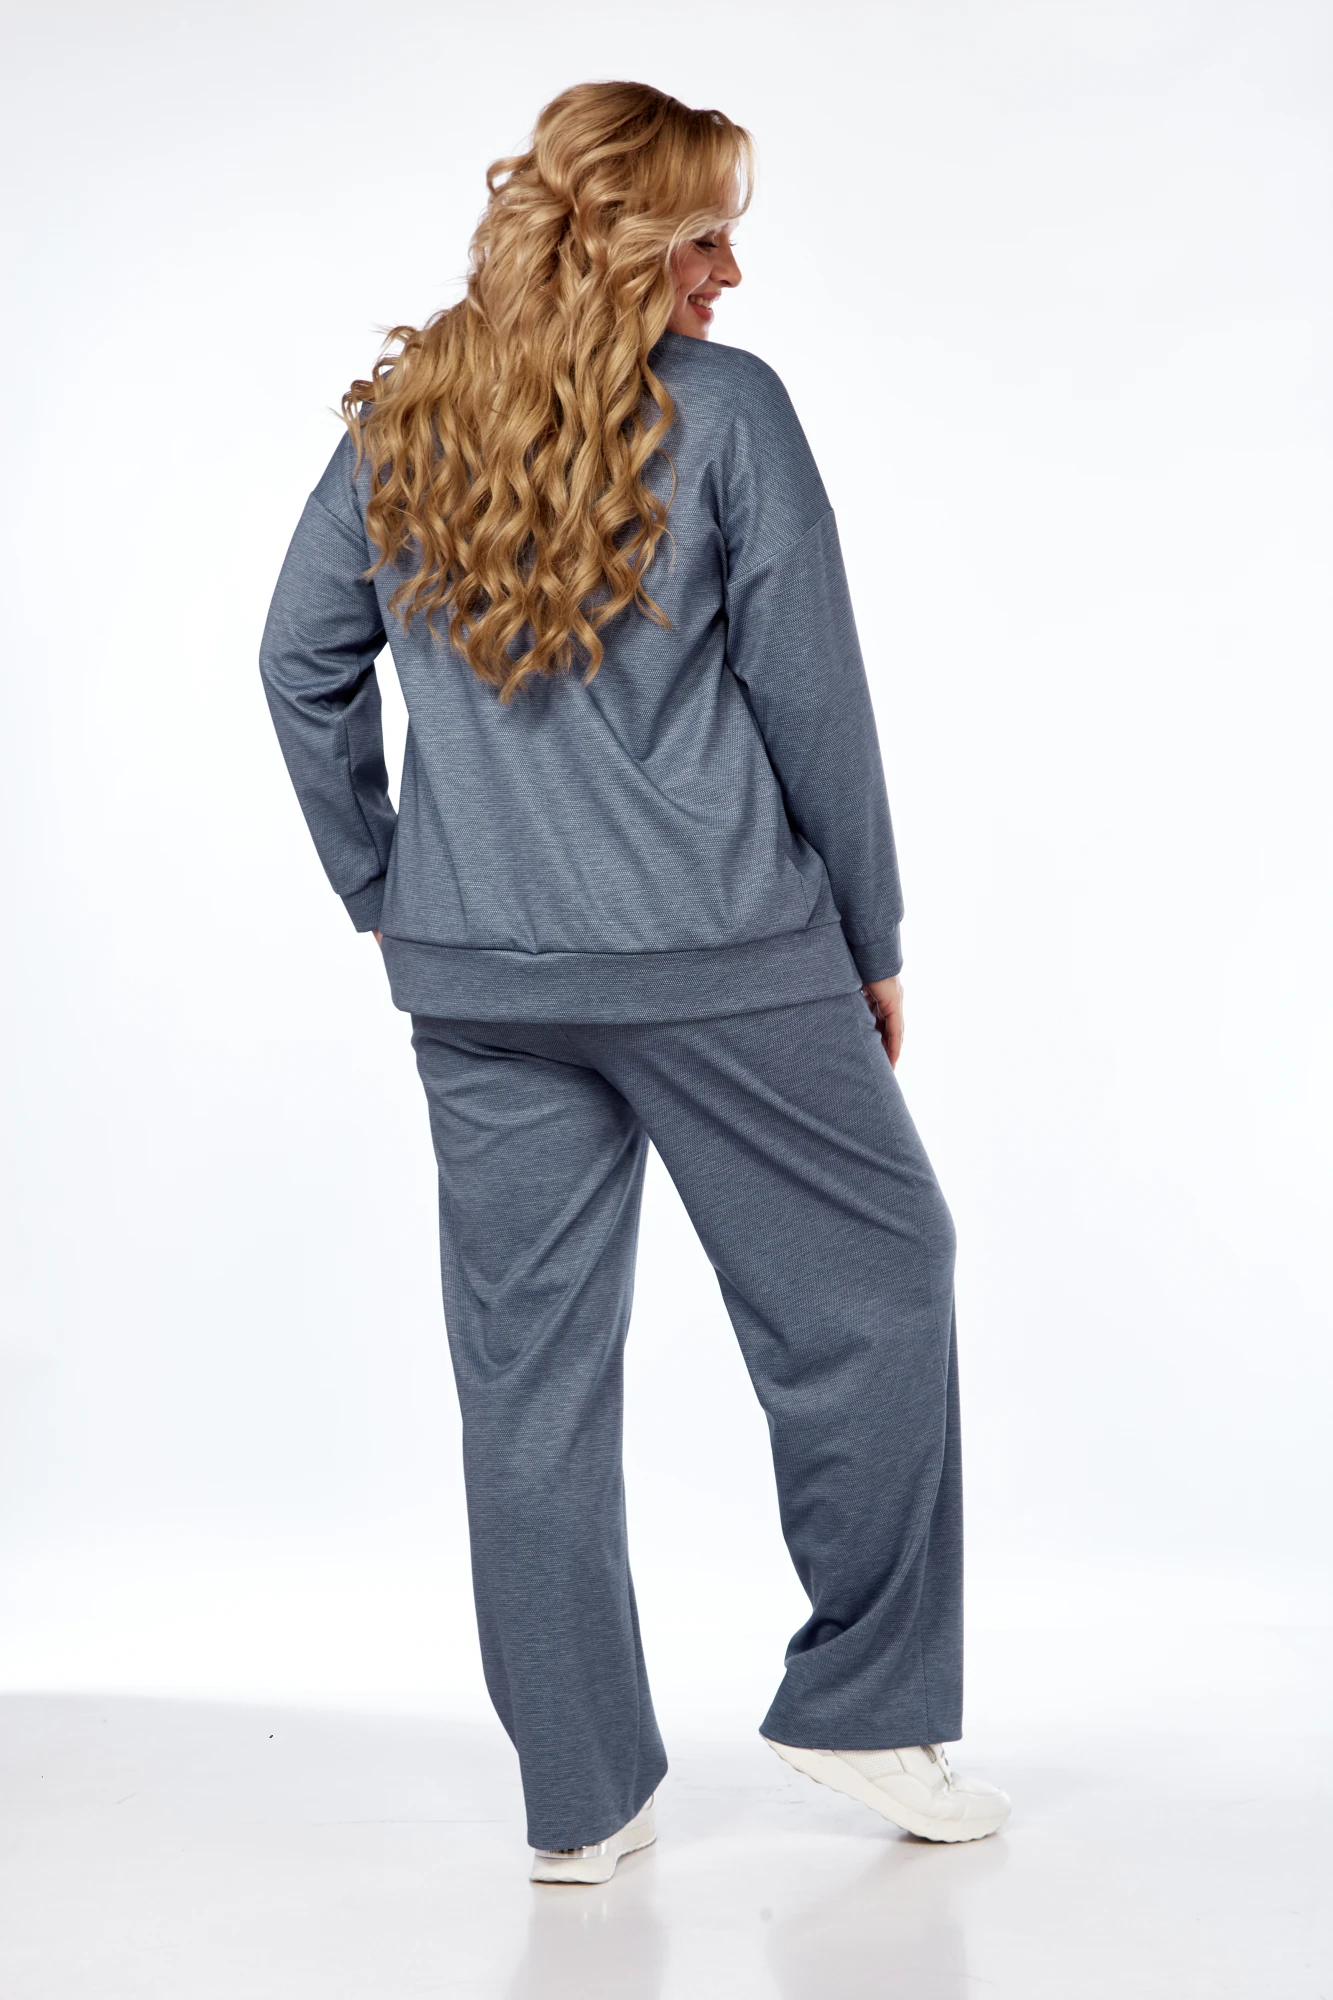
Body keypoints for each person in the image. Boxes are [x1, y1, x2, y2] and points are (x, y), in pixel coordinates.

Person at [259, 79, 1010, 1884]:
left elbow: (297, 662)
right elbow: (815, 702)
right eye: (702, 239)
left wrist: (389, 887)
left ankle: (581, 1804)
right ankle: (864, 1707)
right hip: (721, 956)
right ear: (619, 240)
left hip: (479, 975)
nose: (729, 274)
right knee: (879, 1278)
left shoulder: (405, 416)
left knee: (528, 1380)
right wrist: (871, 940)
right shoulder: (730, 417)